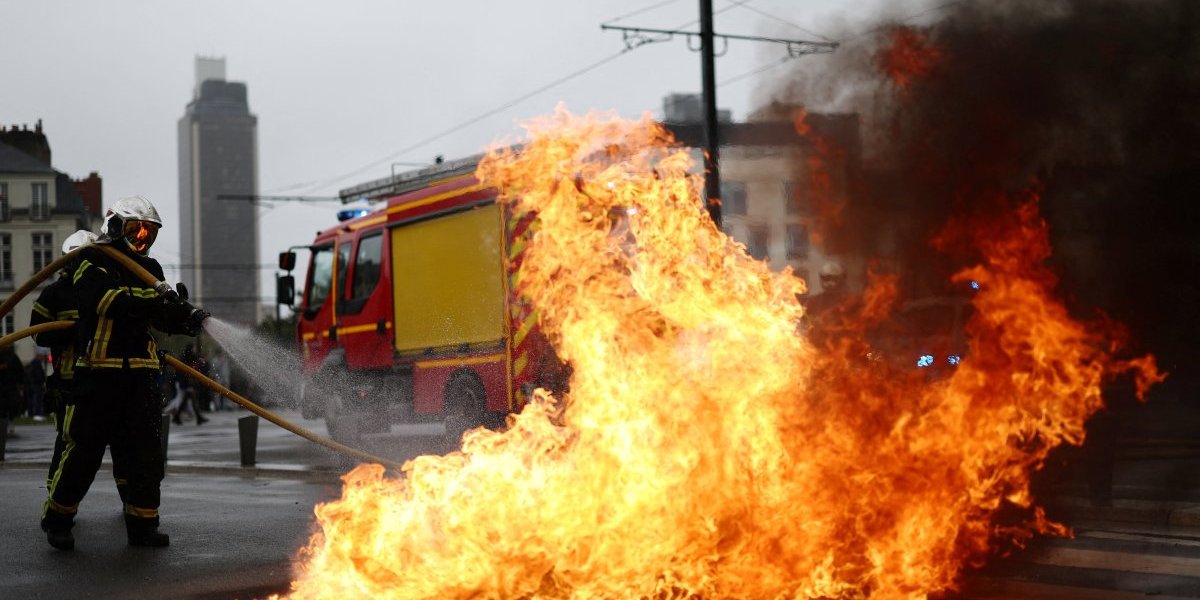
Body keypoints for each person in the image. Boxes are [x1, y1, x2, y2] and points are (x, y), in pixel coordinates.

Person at [41, 196, 209, 551]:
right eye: (137, 229)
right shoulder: (92, 261)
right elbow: (107, 303)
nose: (143, 238)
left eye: (150, 232)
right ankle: (58, 520)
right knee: (82, 455)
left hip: (142, 377)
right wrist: (157, 302)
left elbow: (160, 319)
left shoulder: (152, 271)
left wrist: (187, 317)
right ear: (116, 227)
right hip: (99, 375)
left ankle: (143, 525)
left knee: (145, 457)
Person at [30, 229, 133, 495]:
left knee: (123, 443)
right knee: (70, 442)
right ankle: (57, 499)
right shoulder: (53, 294)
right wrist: (74, 330)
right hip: (69, 383)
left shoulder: (107, 287)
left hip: (107, 376)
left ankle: (130, 499)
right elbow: (38, 334)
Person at [173, 342, 209, 425]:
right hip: (185, 383)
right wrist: (183, 382)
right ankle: (198, 417)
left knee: (186, 399)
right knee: (192, 397)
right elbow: (180, 373)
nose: (195, 349)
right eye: (194, 348)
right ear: (190, 349)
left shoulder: (193, 358)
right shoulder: (184, 359)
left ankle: (177, 416)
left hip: (190, 383)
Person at [0, 346, 27, 435]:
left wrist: (21, 382)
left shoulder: (13, 357)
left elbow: (19, 370)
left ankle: (10, 421)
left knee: (12, 405)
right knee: (3, 406)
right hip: (3, 385)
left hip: (11, 385)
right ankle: (4, 423)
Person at [25, 351, 47, 420]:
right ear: (38, 356)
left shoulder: (34, 363)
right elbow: (37, 375)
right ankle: (37, 413)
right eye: (42, 356)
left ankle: (34, 413)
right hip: (37, 385)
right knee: (37, 399)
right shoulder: (36, 363)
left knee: (35, 399)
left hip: (35, 384)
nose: (43, 358)